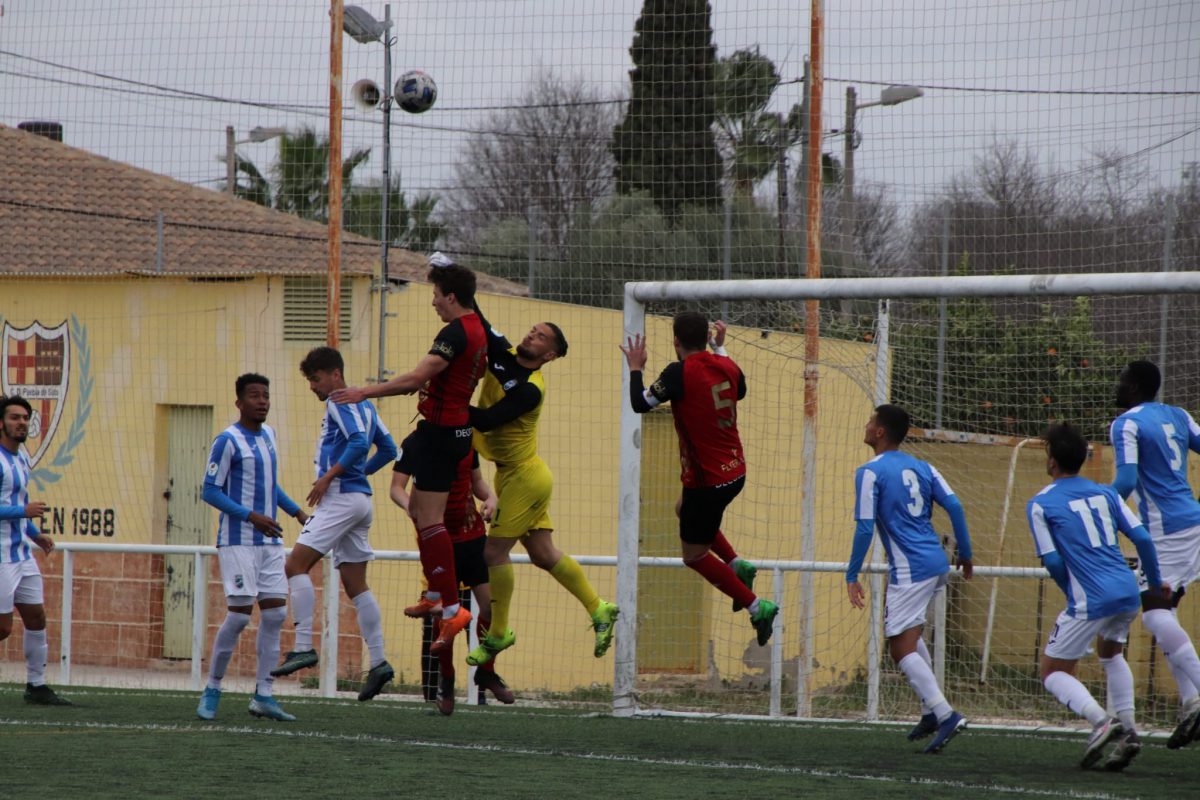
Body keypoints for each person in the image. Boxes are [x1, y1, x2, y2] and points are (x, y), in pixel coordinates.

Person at [459, 266, 618, 668]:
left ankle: (498, 634)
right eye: (533, 329)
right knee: (544, 555)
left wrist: (448, 405)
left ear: (550, 355)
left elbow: (490, 420)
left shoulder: (531, 390)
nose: (532, 334)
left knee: (493, 552)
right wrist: (457, 280)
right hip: (516, 474)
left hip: (526, 478)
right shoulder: (504, 353)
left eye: (542, 335)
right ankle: (599, 608)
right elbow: (477, 315)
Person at [332, 259, 486, 658]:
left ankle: (451, 608)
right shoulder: (478, 330)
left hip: (441, 434)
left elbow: (415, 380)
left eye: (436, 295)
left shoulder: (455, 333)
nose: (433, 302)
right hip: (452, 431)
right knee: (419, 509)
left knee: (430, 519)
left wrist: (365, 391)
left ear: (451, 297)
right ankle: (435, 592)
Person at [621, 313, 777, 648]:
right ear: (708, 338)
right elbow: (743, 389)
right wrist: (720, 349)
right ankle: (737, 563)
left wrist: (636, 367)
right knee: (682, 508)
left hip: (707, 483)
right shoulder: (727, 365)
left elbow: (639, 403)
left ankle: (756, 605)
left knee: (693, 556)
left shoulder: (678, 372)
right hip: (735, 471)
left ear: (676, 341)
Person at [1028, 422, 1167, 770]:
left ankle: (1102, 721)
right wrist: (1153, 582)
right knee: (1110, 653)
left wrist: (1073, 596)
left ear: (1052, 462)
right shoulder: (1107, 494)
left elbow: (1053, 561)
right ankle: (1130, 732)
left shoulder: (1041, 503)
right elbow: (1145, 540)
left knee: (1051, 671)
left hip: (1091, 598)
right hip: (1126, 591)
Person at [270, 347, 398, 703]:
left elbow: (359, 442)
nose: (312, 386)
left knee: (295, 565)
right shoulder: (366, 404)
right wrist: (358, 475)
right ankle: (380, 662)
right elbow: (388, 450)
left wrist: (330, 477)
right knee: (356, 584)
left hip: (341, 500)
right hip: (360, 502)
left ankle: (303, 646)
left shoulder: (339, 402)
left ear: (334, 375)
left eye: (315, 378)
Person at [845, 404, 971, 754]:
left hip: (910, 568)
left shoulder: (870, 471)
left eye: (871, 421)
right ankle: (930, 711)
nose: (867, 425)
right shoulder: (924, 467)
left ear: (880, 431)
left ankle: (946, 714)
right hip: (935, 561)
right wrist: (967, 553)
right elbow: (956, 507)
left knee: (899, 645)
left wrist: (852, 573)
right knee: (912, 636)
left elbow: (865, 527)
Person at [196, 374, 309, 722]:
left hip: (270, 541)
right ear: (239, 403)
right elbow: (210, 491)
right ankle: (213, 687)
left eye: (266, 396)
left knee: (275, 614)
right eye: (254, 396)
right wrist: (250, 516)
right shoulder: (227, 441)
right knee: (240, 616)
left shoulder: (270, 436)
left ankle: (264, 694)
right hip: (238, 541)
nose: (262, 401)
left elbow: (269, 485)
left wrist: (298, 512)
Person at [1110, 360, 1200, 749]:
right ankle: (1192, 704)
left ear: (1132, 386)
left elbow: (1127, 480)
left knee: (1154, 615)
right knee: (1167, 612)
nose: (1117, 385)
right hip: (1193, 521)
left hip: (1167, 533)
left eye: (1121, 379)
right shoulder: (1179, 415)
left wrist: (1100, 510)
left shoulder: (1127, 423)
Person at [392, 447, 515, 714]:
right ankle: (446, 679)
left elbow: (477, 481)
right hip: (439, 541)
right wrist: (409, 506)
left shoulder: (464, 439)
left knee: (491, 608)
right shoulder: (419, 442)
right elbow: (396, 488)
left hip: (472, 538)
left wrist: (491, 497)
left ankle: (486, 671)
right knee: (444, 614)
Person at [0, 395, 71, 706]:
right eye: (15, 417)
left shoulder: (22, 458)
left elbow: (19, 507)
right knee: (2, 628)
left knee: (37, 617)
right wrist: (23, 513)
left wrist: (36, 535)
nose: (22, 423)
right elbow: (19, 508)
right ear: (1, 423)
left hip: (21, 554)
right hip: (0, 557)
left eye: (26, 418)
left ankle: (37, 685)